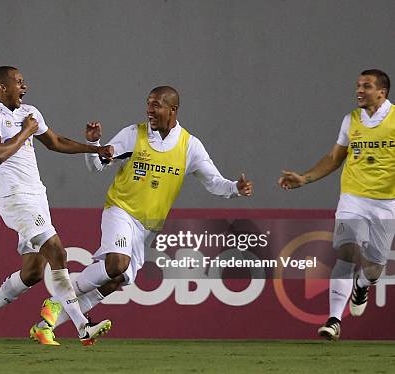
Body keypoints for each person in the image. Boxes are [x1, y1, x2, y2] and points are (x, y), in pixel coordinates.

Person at [30, 85, 253, 344]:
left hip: (147, 226)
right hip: (121, 210)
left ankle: (45, 325)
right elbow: (97, 167)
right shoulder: (133, 135)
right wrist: (94, 144)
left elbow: (215, 182)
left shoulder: (189, 146)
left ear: (173, 110)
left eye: (156, 105)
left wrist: (236, 188)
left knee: (117, 279)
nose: (149, 110)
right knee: (117, 264)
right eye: (148, 104)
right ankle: (56, 300)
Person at [0, 66, 114, 346]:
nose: (25, 87)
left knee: (32, 273)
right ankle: (82, 326)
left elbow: (55, 142)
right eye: (18, 82)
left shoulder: (29, 112)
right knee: (57, 250)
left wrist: (95, 149)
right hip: (15, 199)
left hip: (37, 198)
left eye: (24, 82)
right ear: (1, 86)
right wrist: (26, 132)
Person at [278, 69, 394, 341]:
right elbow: (334, 157)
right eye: (358, 85)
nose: (359, 90)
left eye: (366, 86)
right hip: (353, 198)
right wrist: (304, 178)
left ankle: (363, 286)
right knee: (347, 250)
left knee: (374, 267)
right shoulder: (351, 120)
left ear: (382, 92)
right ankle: (333, 320)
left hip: (386, 203)